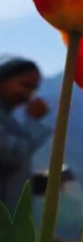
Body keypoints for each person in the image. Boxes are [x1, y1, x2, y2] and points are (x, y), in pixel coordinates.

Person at [0, 57, 51, 210]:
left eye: (34, 89)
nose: (28, 94)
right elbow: (12, 155)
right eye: (25, 85)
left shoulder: (8, 117)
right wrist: (33, 121)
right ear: (2, 80)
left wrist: (31, 181)